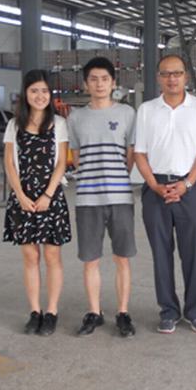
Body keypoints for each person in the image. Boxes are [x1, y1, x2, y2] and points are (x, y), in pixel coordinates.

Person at [134, 55, 196, 334]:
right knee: (161, 253)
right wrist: (154, 185)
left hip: (190, 188)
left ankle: (195, 311)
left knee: (194, 253)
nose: (172, 79)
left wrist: (188, 183)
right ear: (158, 77)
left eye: (177, 73)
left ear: (186, 77)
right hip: (155, 188)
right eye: (166, 74)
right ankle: (168, 310)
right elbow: (140, 152)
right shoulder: (147, 110)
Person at [68, 57, 137, 338]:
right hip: (87, 199)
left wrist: (116, 176)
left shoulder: (127, 114)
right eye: (93, 79)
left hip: (120, 198)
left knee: (122, 258)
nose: (99, 84)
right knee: (90, 259)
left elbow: (130, 155)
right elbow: (76, 156)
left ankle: (123, 312)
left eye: (104, 79)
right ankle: (94, 312)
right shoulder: (75, 117)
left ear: (113, 83)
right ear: (86, 84)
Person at [3, 69, 71, 336]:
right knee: (30, 256)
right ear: (25, 94)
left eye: (44, 91)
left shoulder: (59, 123)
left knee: (52, 255)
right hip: (23, 199)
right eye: (34, 91)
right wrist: (20, 196)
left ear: (50, 94)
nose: (40, 96)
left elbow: (61, 162)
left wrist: (47, 196)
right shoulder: (14, 125)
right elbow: (9, 163)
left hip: (50, 198)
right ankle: (35, 311)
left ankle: (51, 311)